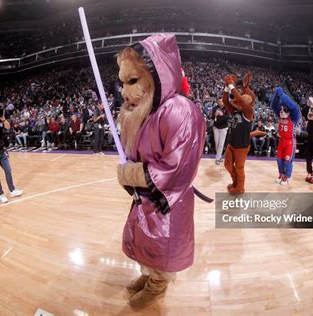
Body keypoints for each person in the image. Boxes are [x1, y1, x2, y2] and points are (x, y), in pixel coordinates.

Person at [116, 34, 205, 309]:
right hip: (144, 199)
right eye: (122, 83)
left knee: (162, 245)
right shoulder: (146, 111)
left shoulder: (180, 110)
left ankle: (158, 285)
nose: (124, 92)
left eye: (133, 81)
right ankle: (148, 277)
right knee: (146, 241)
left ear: (158, 75)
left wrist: (132, 174)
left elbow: (178, 167)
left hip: (168, 201)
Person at [211, 97, 229, 165]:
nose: (221, 102)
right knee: (217, 143)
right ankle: (219, 156)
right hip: (216, 127)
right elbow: (212, 117)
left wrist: (221, 115)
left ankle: (217, 159)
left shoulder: (227, 108)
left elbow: (227, 117)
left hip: (223, 128)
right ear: (217, 102)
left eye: (222, 101)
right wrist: (215, 115)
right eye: (219, 101)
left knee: (221, 144)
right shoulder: (215, 108)